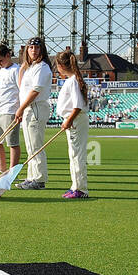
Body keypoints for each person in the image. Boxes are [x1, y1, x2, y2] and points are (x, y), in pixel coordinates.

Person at [13, 37, 53, 189]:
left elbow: (35, 90)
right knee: (30, 145)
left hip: (35, 106)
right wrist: (23, 68)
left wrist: (21, 108)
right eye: (30, 48)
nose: (33, 50)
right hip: (29, 107)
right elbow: (22, 86)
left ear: (41, 50)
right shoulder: (31, 67)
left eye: (36, 48)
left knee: (36, 145)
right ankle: (32, 176)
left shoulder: (42, 67)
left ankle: (39, 179)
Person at [54, 49, 90, 199]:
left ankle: (81, 189)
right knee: (73, 154)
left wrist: (69, 120)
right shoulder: (72, 80)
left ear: (61, 66)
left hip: (75, 120)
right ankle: (75, 186)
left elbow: (78, 105)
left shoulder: (73, 81)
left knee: (77, 155)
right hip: (73, 120)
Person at [0, 43, 22, 176]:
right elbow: (1, 90)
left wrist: (20, 109)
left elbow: (22, 90)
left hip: (10, 111)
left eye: (1, 60)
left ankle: (12, 172)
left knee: (12, 143)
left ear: (8, 55)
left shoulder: (17, 70)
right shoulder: (1, 71)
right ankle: (2, 170)